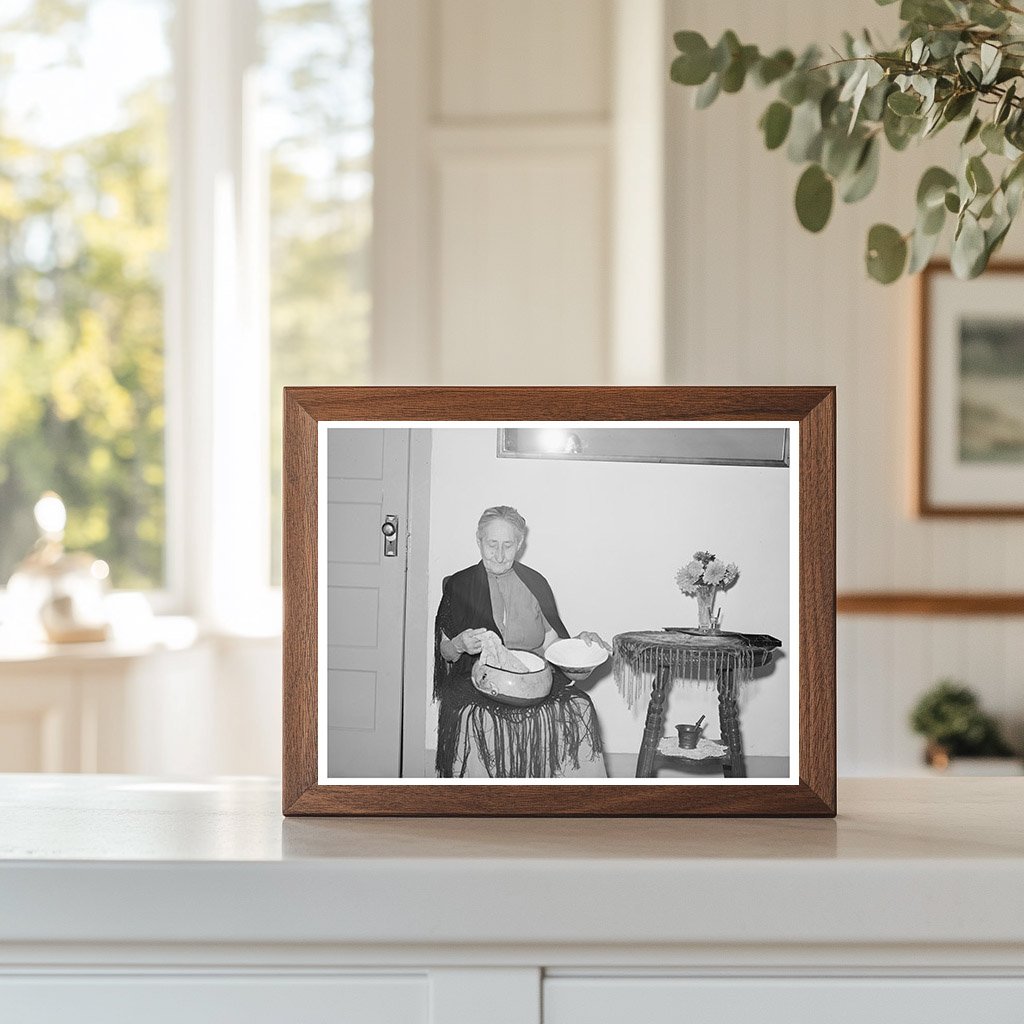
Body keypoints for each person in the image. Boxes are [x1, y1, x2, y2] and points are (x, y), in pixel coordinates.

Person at [433, 505, 610, 778]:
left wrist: (579, 646)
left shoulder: (535, 583)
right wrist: (459, 644)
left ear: (520, 544)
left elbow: (552, 644)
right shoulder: (459, 585)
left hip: (533, 678)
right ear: (479, 541)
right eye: (492, 544)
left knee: (580, 706)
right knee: (479, 719)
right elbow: (445, 651)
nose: (500, 554)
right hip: (479, 680)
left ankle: (575, 806)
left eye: (508, 545)